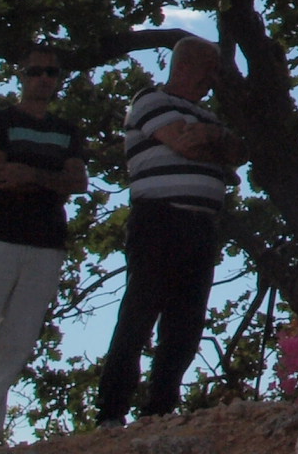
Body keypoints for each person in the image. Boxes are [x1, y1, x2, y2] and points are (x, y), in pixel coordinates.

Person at [0, 42, 87, 444]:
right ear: (20, 75)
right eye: (35, 71)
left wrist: (30, 174)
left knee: (17, 341)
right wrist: (48, 178)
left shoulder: (67, 131)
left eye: (51, 72)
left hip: (46, 243)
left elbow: (77, 182)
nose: (43, 79)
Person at [98, 36, 238, 426]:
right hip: (160, 218)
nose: (212, 80)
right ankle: (112, 409)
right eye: (209, 70)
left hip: (201, 225)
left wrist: (210, 139)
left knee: (186, 320)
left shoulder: (207, 117)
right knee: (140, 312)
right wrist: (212, 147)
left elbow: (235, 154)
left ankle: (160, 408)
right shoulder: (151, 100)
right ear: (186, 66)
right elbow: (186, 146)